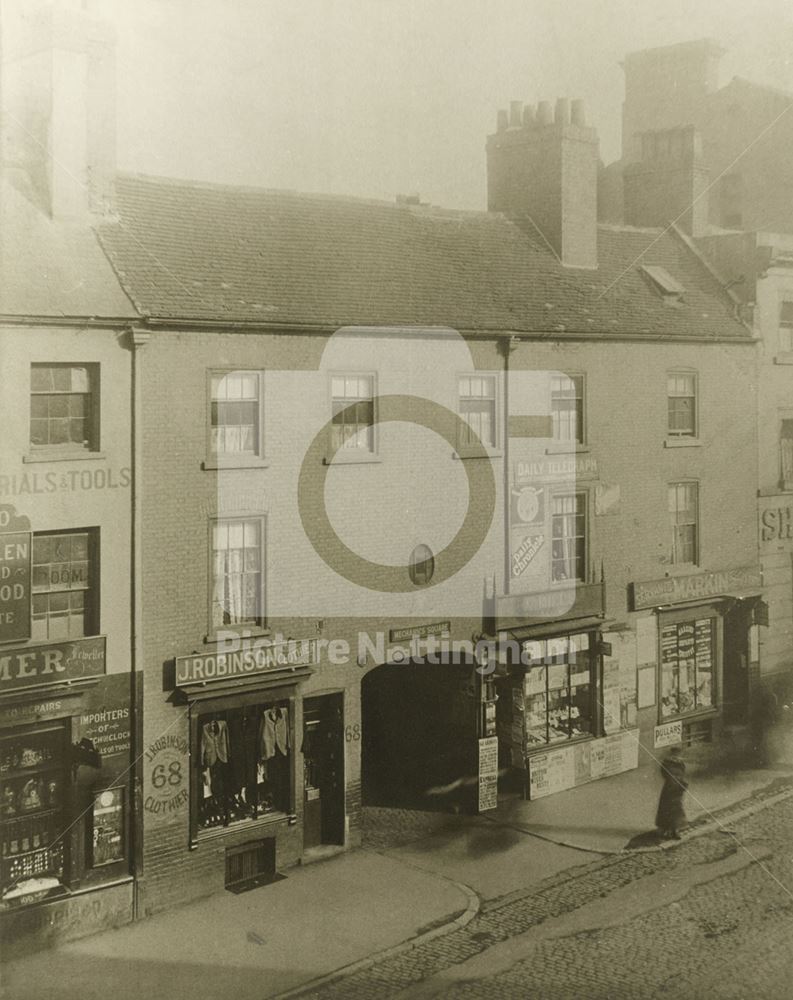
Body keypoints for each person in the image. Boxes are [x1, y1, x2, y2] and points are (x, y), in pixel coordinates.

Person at [655, 745, 688, 840]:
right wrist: (674, 780)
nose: (677, 756)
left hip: (678, 789)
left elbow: (683, 774)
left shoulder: (681, 764)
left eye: (678, 755)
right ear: (671, 754)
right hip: (669, 789)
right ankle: (666, 830)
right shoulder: (666, 764)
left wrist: (681, 782)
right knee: (667, 808)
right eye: (675, 755)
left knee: (677, 809)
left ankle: (675, 831)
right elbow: (665, 774)